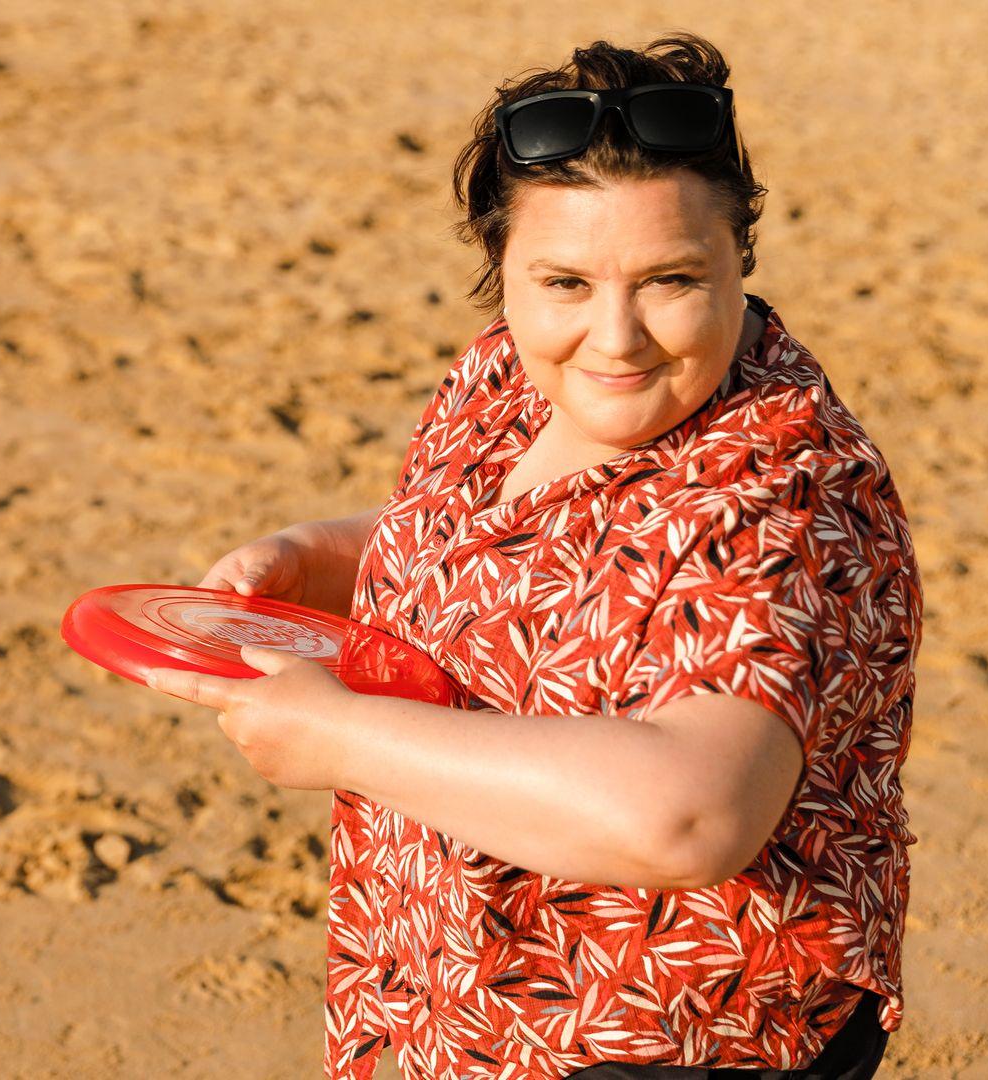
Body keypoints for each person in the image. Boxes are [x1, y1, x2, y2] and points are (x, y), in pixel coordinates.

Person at [140, 33, 920, 1080]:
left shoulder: (784, 490)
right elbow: (514, 543)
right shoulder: (505, 378)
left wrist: (344, 738)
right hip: (454, 1004)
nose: (616, 338)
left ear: (743, 254)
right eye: (563, 282)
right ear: (499, 267)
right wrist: (321, 556)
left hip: (654, 1042)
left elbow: (689, 816)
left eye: (673, 280)